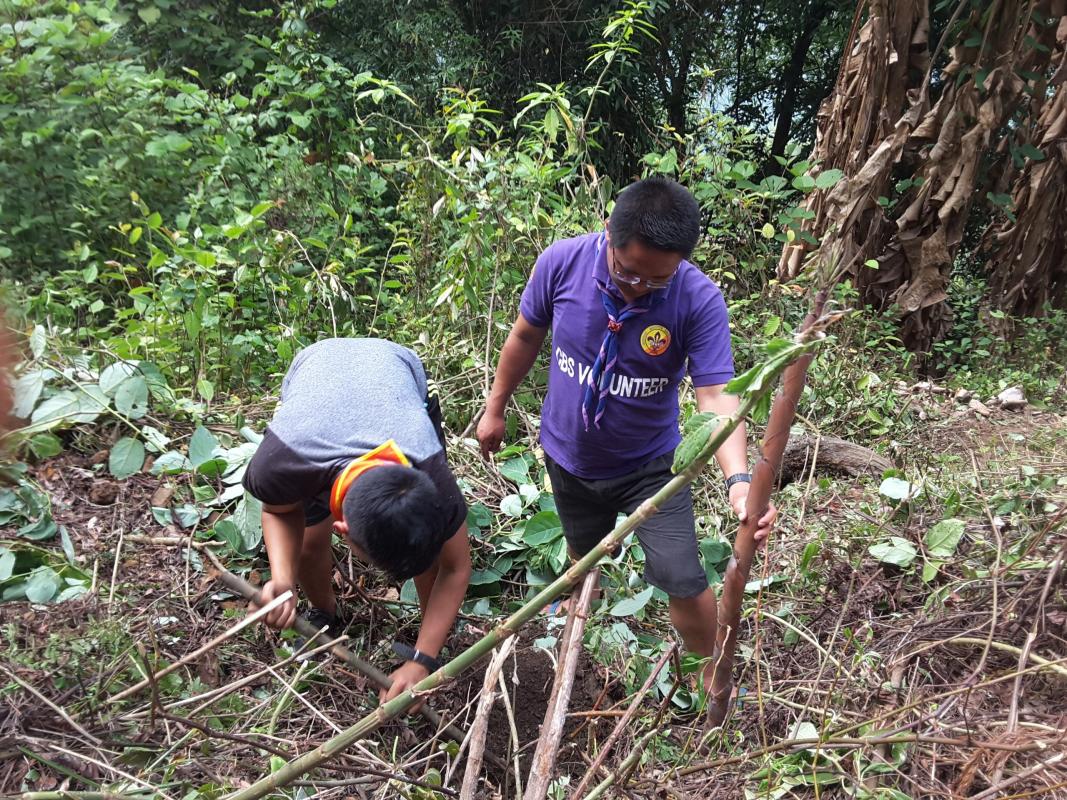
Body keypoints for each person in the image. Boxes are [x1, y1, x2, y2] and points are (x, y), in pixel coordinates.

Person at [477, 177, 775, 689]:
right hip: (568, 457)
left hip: (652, 470)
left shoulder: (697, 300)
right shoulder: (562, 263)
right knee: (583, 555)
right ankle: (580, 624)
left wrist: (739, 481)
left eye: (656, 280)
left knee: (683, 578)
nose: (637, 287)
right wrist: (495, 407)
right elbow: (525, 335)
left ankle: (713, 679)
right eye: (628, 271)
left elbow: (716, 396)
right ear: (608, 233)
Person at [243, 337, 472, 702]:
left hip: (394, 369)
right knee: (308, 545)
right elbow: (278, 511)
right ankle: (324, 613)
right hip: (316, 373)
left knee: (428, 555)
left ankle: (429, 635)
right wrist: (283, 580)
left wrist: (422, 660)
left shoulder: (432, 472)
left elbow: (455, 567)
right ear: (343, 531)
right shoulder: (282, 463)